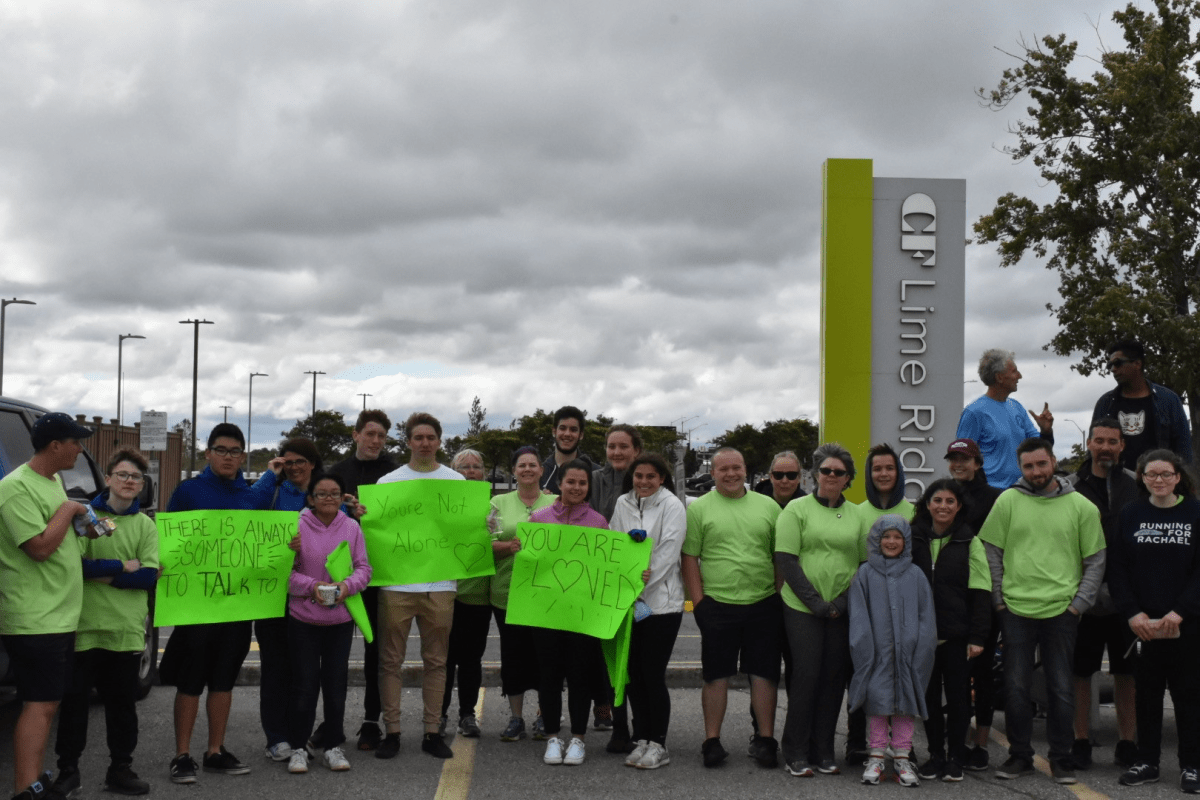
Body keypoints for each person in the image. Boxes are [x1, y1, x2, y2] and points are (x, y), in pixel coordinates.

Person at [978, 437, 1105, 785]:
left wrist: (1079, 604)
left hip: (1062, 611)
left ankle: (1061, 758)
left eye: (1041, 464)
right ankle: (1019, 755)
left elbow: (1095, 560)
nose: (1035, 471)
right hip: (1016, 609)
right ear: (1021, 468)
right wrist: (999, 600)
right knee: (1016, 687)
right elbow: (991, 551)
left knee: (1060, 688)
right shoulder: (1007, 501)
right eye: (1028, 466)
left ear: (1053, 461)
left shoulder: (1081, 507)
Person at [159, 422, 261, 784]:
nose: (228, 457)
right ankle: (182, 755)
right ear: (208, 453)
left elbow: (261, 547)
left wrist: (287, 548)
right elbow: (168, 542)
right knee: (191, 681)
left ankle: (215, 750)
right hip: (196, 607)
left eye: (235, 451)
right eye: (221, 450)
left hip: (236, 607)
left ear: (243, 455)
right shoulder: (188, 491)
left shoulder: (251, 496)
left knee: (223, 681)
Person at [53, 450, 159, 797]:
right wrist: (119, 567)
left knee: (122, 707)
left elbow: (147, 576)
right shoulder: (85, 519)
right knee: (74, 705)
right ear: (109, 478)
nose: (130, 481)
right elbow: (75, 567)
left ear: (142, 486)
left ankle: (121, 769)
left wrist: (107, 575)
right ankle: (68, 771)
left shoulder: (145, 525)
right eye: (123, 474)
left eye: (137, 478)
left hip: (126, 630)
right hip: (83, 626)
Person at [0, 412, 93, 800]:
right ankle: (26, 789)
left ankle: (35, 782)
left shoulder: (52, 480)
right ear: (56, 445)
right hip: (35, 617)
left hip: (58, 615)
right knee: (38, 705)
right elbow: (37, 547)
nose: (80, 449)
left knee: (47, 703)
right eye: (76, 442)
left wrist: (82, 525)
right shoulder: (15, 488)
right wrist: (70, 510)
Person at [682, 448, 782, 769]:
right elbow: (690, 557)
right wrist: (699, 604)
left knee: (764, 674)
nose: (730, 474)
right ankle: (712, 740)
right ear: (713, 473)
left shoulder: (768, 507)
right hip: (717, 605)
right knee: (715, 675)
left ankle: (766, 740)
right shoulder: (699, 509)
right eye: (723, 469)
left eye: (736, 468)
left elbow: (778, 557)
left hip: (763, 603)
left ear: (745, 470)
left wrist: (779, 597)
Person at [1109, 449, 1200, 792]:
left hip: (1185, 624)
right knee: (1146, 696)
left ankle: (1192, 766)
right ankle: (1147, 761)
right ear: (1142, 479)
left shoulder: (1195, 512)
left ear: (1178, 477)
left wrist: (1182, 611)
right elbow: (1118, 569)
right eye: (1151, 475)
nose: (1159, 480)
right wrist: (1133, 613)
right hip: (1143, 626)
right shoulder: (1131, 514)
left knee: (1188, 696)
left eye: (1166, 474)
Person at [376, 412, 464, 761]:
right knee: (390, 661)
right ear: (408, 441)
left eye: (431, 438)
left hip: (440, 585)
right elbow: (378, 532)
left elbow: (466, 531)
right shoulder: (388, 483)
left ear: (440, 441)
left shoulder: (456, 482)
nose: (425, 443)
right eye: (418, 438)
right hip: (397, 585)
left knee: (436, 661)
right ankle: (392, 731)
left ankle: (432, 731)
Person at [774, 443, 865, 777]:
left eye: (838, 472)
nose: (830, 476)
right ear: (815, 474)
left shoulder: (856, 515)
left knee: (833, 679)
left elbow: (864, 564)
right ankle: (795, 750)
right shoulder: (796, 510)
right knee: (807, 675)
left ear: (847, 479)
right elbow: (786, 559)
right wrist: (815, 603)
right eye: (825, 470)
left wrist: (840, 603)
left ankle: (824, 749)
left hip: (841, 608)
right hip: (801, 607)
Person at [284, 473, 372, 775]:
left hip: (340, 621)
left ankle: (333, 745)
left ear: (343, 497)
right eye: (321, 494)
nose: (329, 499)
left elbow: (364, 568)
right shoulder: (294, 527)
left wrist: (346, 586)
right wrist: (313, 587)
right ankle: (298, 747)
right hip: (303, 620)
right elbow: (286, 575)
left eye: (335, 493)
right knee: (304, 686)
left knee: (336, 687)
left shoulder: (351, 527)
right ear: (311, 499)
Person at [1065, 419, 1140, 770]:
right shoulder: (1070, 487)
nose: (1106, 447)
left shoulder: (1136, 485)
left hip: (1128, 597)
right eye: (1100, 441)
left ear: (1122, 445)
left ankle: (1128, 743)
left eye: (1113, 441)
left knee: (1127, 673)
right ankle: (1080, 741)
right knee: (1081, 673)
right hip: (1083, 596)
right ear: (1090, 445)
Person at [608, 453, 687, 770]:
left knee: (652, 675)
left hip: (662, 606)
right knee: (634, 676)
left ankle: (659, 743)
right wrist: (624, 587)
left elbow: (668, 556)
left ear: (662, 478)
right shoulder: (622, 504)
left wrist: (637, 587)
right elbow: (614, 545)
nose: (643, 482)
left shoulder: (673, 506)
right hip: (628, 607)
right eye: (638, 476)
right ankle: (641, 738)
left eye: (650, 477)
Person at [324, 409, 397, 752]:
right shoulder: (337, 473)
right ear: (355, 435)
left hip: (381, 573)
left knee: (376, 652)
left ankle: (371, 721)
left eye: (382, 436)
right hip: (339, 573)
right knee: (333, 653)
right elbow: (318, 512)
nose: (376, 441)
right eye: (370, 434)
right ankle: (330, 722)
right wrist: (343, 510)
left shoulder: (395, 474)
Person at [909, 479, 991, 782]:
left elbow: (981, 590)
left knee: (958, 700)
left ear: (959, 507)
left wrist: (978, 637)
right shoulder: (912, 538)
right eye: (937, 500)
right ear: (927, 504)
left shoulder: (970, 542)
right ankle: (935, 755)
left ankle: (956, 756)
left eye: (950, 501)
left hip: (957, 636)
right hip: (921, 636)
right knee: (928, 699)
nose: (943, 506)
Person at [247, 437, 323, 763]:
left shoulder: (324, 496)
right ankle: (276, 737)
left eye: (299, 461)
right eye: (287, 461)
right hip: (273, 593)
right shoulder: (275, 491)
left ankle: (299, 735)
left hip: (311, 594)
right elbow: (247, 510)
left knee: (305, 670)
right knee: (275, 668)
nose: (293, 467)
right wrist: (269, 475)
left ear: (313, 464)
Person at [529, 459, 609, 766]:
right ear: (559, 484)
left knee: (580, 677)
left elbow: (605, 572)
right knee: (548, 676)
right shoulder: (539, 519)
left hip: (582, 616)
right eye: (570, 482)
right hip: (545, 614)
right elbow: (530, 566)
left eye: (582, 483)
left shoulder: (599, 523)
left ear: (588, 487)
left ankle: (578, 739)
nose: (576, 488)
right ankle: (552, 737)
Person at [849, 516, 937, 787]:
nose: (891, 541)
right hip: (876, 653)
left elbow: (926, 615)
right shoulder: (864, 574)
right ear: (876, 539)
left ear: (906, 541)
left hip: (909, 654)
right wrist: (865, 649)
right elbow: (859, 616)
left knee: (905, 703)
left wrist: (920, 645)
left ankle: (902, 755)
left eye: (897, 537)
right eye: (886, 536)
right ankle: (876, 754)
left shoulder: (916, 575)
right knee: (877, 701)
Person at [943, 437, 1002, 770]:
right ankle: (959, 739)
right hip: (951, 598)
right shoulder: (944, 494)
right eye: (953, 459)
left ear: (978, 463)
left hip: (983, 596)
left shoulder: (996, 499)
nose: (958, 464)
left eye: (964, 459)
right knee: (955, 673)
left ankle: (980, 744)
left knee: (982, 673)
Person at [489, 446, 555, 743]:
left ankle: (545, 716)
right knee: (513, 658)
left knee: (546, 658)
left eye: (533, 464)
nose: (527, 469)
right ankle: (516, 718)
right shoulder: (497, 502)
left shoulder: (557, 501)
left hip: (546, 597)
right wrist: (509, 547)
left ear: (541, 470)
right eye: (521, 465)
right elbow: (484, 544)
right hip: (507, 594)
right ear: (513, 471)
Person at [589, 424, 642, 743]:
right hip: (599, 581)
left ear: (636, 449)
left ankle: (640, 722)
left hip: (641, 583)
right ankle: (612, 717)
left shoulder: (647, 477)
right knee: (604, 654)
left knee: (634, 656)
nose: (617, 452)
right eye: (612, 446)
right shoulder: (593, 480)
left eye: (624, 446)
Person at [440, 449, 496, 738]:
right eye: (463, 467)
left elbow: (500, 542)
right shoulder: (441, 504)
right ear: (452, 471)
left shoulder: (493, 505)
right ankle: (438, 713)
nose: (470, 471)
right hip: (443, 593)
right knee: (443, 659)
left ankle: (467, 715)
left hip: (477, 595)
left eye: (476, 466)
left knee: (471, 659)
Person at [956, 349, 1054, 489]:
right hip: (990, 495)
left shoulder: (1017, 407)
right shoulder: (974, 413)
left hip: (1023, 492)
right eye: (1014, 371)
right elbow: (961, 458)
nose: (1019, 376)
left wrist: (1046, 431)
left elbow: (1038, 449)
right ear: (999, 377)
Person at [1092, 339, 1193, 470]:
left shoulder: (1168, 400)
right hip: (1116, 482)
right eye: (1110, 365)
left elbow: (1183, 448)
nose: (1113, 369)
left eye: (1117, 363)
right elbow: (1094, 448)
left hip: (1158, 482)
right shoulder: (1105, 403)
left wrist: (1181, 484)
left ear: (1137, 363)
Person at [539, 406, 599, 494]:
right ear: (554, 431)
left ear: (581, 435)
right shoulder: (540, 473)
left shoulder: (595, 473)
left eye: (573, 430)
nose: (567, 434)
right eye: (562, 428)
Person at [858, 443, 914, 525]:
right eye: (877, 469)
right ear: (869, 474)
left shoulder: (914, 514)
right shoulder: (857, 514)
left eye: (890, 468)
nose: (884, 474)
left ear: (898, 472)